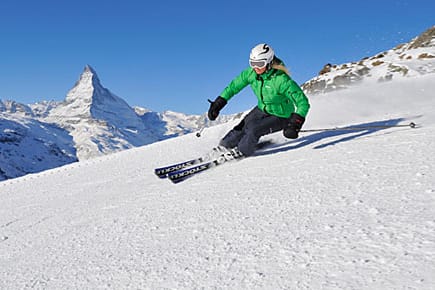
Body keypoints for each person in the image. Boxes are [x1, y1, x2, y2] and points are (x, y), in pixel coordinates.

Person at [207, 43, 310, 156]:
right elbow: (233, 87)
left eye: (260, 64)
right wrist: (218, 103)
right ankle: (225, 146)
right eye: (252, 63)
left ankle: (242, 151)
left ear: (269, 62)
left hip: (282, 115)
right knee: (241, 127)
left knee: (253, 129)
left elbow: (303, 102)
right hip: (262, 108)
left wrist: (295, 123)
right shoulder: (251, 73)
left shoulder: (282, 80)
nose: (256, 67)